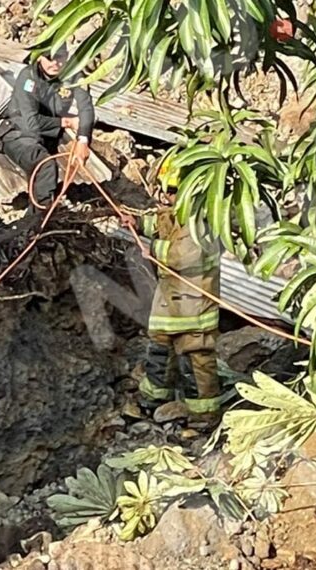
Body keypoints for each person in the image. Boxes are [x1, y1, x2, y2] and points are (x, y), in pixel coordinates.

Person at [134, 166, 222, 428]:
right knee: (160, 354)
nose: (165, 196)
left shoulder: (203, 221)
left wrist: (153, 248)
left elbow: (181, 256)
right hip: (169, 308)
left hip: (194, 312)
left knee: (196, 364)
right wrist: (136, 222)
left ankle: (203, 417)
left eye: (171, 191)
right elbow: (162, 224)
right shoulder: (178, 213)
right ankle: (152, 401)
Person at [1, 43, 95, 204]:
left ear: (66, 57)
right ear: (40, 58)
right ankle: (41, 217)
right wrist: (66, 121)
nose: (54, 63)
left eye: (59, 58)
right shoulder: (28, 77)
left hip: (49, 137)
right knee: (46, 166)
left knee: (41, 182)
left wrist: (83, 140)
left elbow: (86, 108)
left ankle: (37, 215)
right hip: (19, 135)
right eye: (49, 58)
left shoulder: (73, 76)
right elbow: (31, 122)